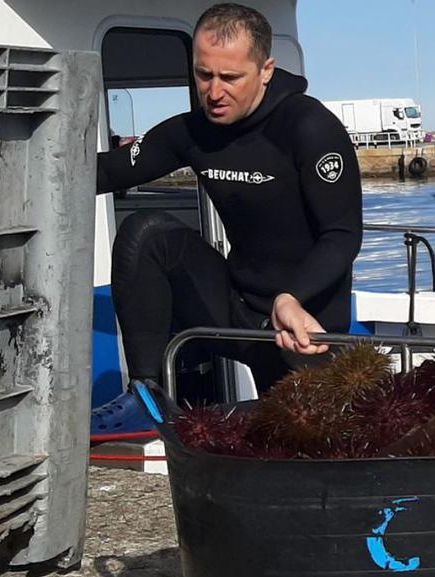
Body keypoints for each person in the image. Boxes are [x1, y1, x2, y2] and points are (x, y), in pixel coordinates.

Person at [92, 3, 361, 432]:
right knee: (146, 232)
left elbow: (343, 234)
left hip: (304, 328)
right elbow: (105, 171)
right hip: (237, 312)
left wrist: (291, 298)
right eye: (204, 75)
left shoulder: (309, 127)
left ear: (266, 70)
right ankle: (147, 394)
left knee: (303, 439)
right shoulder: (195, 131)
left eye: (231, 78)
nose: (215, 92)